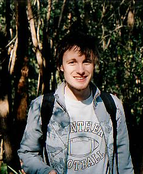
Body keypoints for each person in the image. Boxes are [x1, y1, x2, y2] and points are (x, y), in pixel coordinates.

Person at [18, 32, 134, 174]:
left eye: (86, 62)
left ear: (94, 64)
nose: (80, 70)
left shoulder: (112, 105)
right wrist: (46, 171)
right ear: (61, 66)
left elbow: (124, 164)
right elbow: (27, 154)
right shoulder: (42, 106)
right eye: (72, 62)